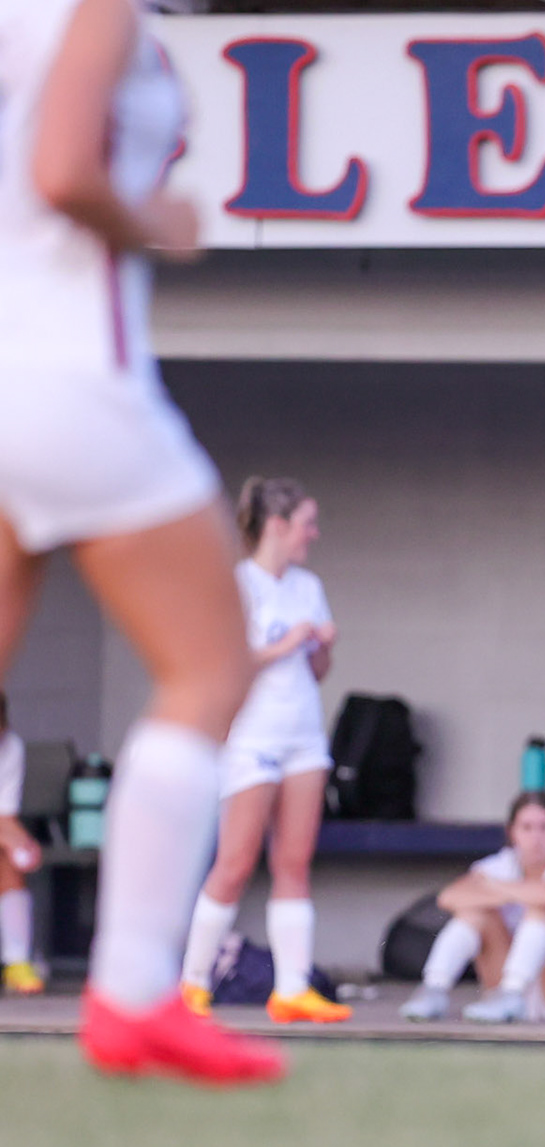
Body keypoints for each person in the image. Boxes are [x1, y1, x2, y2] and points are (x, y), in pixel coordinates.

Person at [0, 0, 282, 1082]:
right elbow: (63, 173)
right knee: (210, 671)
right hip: (72, 375)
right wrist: (155, 219)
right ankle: (131, 993)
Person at [178, 477, 349, 1024]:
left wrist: (322, 646)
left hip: (304, 736)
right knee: (234, 861)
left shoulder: (308, 585)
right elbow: (229, 662)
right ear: (277, 526)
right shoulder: (240, 585)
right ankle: (192, 982)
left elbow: (317, 672)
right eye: (306, 524)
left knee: (293, 862)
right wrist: (288, 642)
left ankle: (292, 987)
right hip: (253, 738)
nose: (313, 535)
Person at [398, 792, 545, 1024]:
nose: (536, 838)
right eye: (527, 828)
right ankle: (434, 989)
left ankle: (513, 992)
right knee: (475, 912)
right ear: (512, 833)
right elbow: (448, 898)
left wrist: (496, 888)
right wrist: (503, 893)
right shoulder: (502, 862)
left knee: (543, 908)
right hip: (521, 995)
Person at [0, 692, 44, 995]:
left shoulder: (11, 747)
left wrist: (21, 843)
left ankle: (17, 961)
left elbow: (5, 814)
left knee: (8, 860)